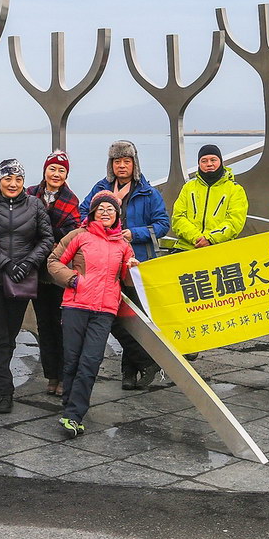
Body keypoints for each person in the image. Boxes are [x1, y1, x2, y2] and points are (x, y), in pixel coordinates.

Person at [78, 140, 169, 390]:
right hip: (105, 265)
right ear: (111, 164)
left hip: (137, 265)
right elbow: (83, 213)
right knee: (116, 319)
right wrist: (100, 223)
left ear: (134, 164)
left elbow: (163, 224)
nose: (121, 166)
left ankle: (130, 373)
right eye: (117, 161)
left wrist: (134, 233)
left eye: (126, 161)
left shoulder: (148, 193)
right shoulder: (101, 189)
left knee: (135, 318)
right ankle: (143, 364)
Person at [46, 191, 138, 437]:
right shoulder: (79, 235)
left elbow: (128, 280)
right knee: (72, 360)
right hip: (75, 306)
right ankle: (70, 408)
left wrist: (133, 269)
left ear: (117, 215)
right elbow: (54, 261)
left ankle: (74, 415)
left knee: (90, 362)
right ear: (93, 212)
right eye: (101, 209)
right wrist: (73, 280)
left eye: (111, 209)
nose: (105, 213)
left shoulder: (123, 245)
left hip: (104, 311)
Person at [0, 159, 53, 413]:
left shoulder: (35, 206)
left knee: (9, 337)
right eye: (8, 178)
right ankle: (5, 392)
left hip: (21, 280)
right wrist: (6, 264)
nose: (13, 183)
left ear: (23, 181)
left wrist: (28, 263)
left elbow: (46, 239)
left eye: (18, 179)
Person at [26, 150, 80, 396]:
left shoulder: (71, 200)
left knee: (61, 325)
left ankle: (64, 376)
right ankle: (51, 375)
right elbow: (23, 224)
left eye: (61, 170)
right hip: (36, 270)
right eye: (52, 169)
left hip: (59, 271)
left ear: (66, 174)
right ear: (45, 170)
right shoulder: (30, 194)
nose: (56, 174)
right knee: (43, 324)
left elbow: (73, 234)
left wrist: (45, 235)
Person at [169, 144, 248, 252]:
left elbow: (235, 221)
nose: (209, 164)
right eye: (204, 161)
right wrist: (197, 238)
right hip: (186, 248)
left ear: (221, 162)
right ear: (199, 164)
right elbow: (178, 218)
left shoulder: (235, 189)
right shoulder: (188, 187)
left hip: (220, 249)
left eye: (213, 160)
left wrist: (210, 239)